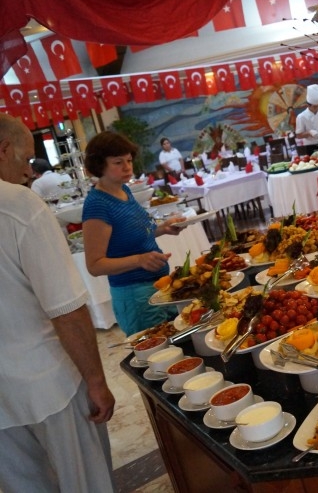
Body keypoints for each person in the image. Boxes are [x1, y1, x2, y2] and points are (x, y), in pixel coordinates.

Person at [0, 114, 116, 492]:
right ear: (3, 150)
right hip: (47, 381)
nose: (28, 171)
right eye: (24, 159)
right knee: (86, 482)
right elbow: (65, 308)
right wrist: (96, 381)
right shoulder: (18, 204)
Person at [82, 131, 186, 336]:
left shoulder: (124, 190)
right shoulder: (97, 204)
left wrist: (163, 228)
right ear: (99, 165)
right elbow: (94, 265)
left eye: (129, 160)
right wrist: (139, 260)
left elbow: (133, 235)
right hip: (135, 297)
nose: (127, 167)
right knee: (157, 351)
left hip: (159, 286)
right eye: (118, 162)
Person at [295, 84, 318, 156]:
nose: (317, 108)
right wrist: (309, 132)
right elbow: (298, 135)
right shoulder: (301, 117)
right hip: (311, 147)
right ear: (308, 105)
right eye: (314, 107)